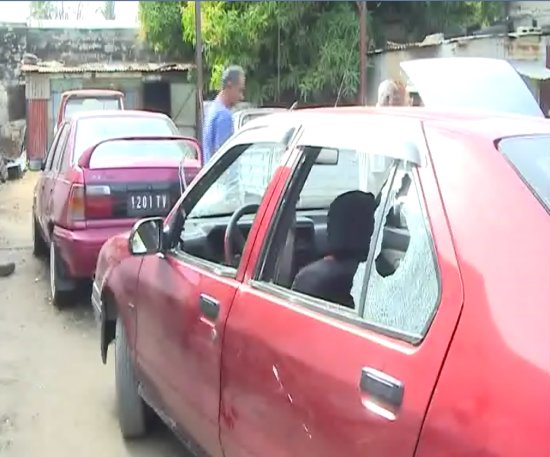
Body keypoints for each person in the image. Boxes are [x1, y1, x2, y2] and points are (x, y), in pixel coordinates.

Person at [202, 65, 246, 164]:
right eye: (239, 90)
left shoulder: (212, 109)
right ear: (229, 86)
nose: (241, 97)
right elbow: (224, 159)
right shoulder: (224, 116)